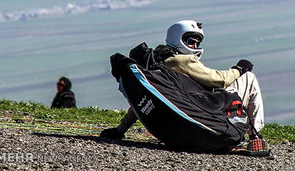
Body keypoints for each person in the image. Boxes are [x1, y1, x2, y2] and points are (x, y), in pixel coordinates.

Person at [100, 20, 265, 145]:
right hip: (205, 109)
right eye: (190, 41)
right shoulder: (180, 61)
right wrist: (239, 69)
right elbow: (219, 80)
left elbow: (145, 100)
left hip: (181, 122)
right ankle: (255, 135)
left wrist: (120, 130)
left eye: (197, 42)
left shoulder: (155, 65)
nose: (194, 45)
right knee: (249, 79)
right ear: (177, 39)